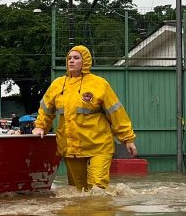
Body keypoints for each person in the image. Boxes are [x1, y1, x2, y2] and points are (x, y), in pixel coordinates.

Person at [32, 45, 137, 191]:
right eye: (69, 58)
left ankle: (100, 206)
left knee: (97, 188)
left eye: (76, 58)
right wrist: (40, 126)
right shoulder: (58, 85)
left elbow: (116, 112)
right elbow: (46, 109)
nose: (71, 61)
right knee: (77, 191)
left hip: (99, 145)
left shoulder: (99, 84)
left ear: (85, 61)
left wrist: (128, 139)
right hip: (71, 148)